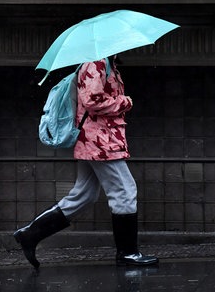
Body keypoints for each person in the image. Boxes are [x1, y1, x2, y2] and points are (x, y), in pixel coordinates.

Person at [13, 55, 159, 268]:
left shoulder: (107, 64)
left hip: (97, 140)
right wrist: (124, 101)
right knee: (125, 191)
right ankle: (128, 253)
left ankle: (30, 234)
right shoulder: (96, 63)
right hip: (100, 142)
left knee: (84, 194)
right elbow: (91, 100)